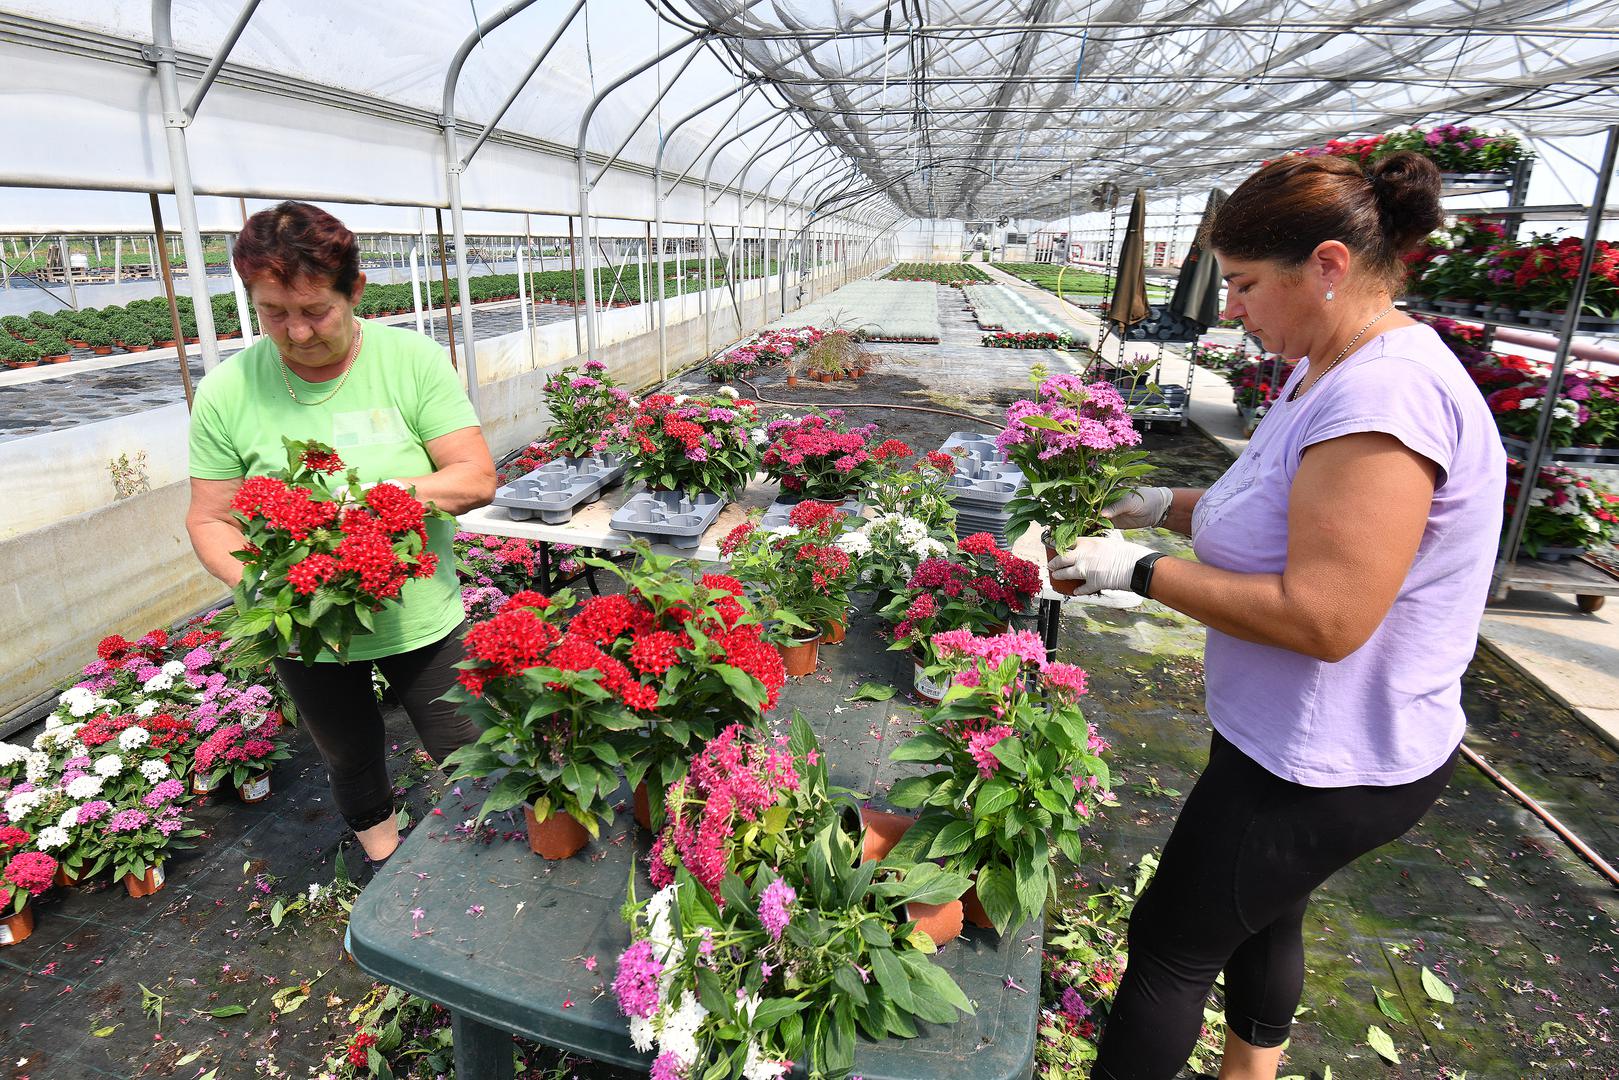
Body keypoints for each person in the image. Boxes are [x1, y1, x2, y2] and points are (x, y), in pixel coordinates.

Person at [1048, 151, 1505, 1080]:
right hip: (1290, 733)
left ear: (1328, 267)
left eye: (1247, 285)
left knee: (1170, 947)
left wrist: (1136, 572)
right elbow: (1289, 510)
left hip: (1328, 755)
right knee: (1263, 915)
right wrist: (1170, 505)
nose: (1231, 311)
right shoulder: (1323, 368)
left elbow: (1323, 617)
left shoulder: (1385, 396)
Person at [185, 201, 496, 865]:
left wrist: (365, 502)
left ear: (353, 291)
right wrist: (271, 587)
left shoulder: (409, 361)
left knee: (467, 743)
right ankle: (385, 865)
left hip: (419, 614)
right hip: (306, 628)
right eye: (273, 312)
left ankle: (491, 863)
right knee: (348, 754)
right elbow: (210, 517)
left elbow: (473, 477)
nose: (296, 332)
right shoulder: (226, 391)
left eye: (315, 309)